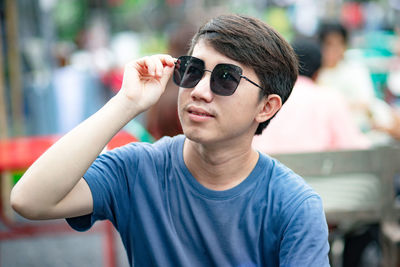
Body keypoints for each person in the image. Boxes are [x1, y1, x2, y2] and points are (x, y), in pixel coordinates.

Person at [10, 14, 330, 266]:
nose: (200, 91)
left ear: (266, 107)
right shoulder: (139, 168)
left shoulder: (293, 207)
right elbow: (30, 199)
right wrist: (127, 103)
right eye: (192, 70)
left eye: (225, 79)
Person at [253, 37, 370, 154]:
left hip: (268, 167)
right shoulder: (330, 99)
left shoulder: (268, 98)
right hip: (317, 170)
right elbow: (353, 146)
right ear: (318, 71)